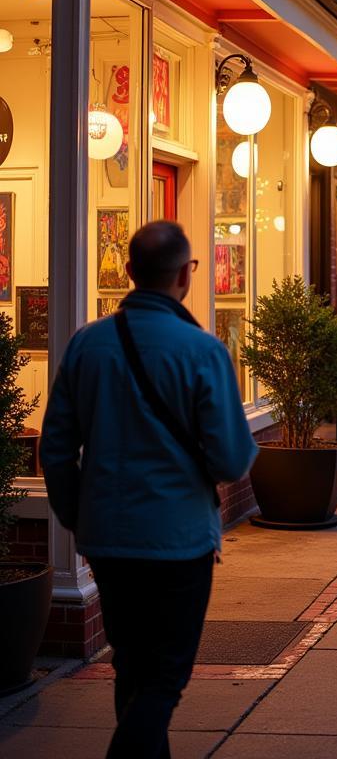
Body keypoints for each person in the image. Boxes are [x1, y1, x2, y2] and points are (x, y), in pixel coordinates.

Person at [40, 221, 257, 759]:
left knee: (132, 667)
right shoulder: (202, 351)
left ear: (130, 273)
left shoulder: (87, 344)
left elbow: (56, 447)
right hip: (179, 540)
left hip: (108, 536)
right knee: (164, 678)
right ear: (186, 275)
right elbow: (232, 457)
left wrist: (76, 514)